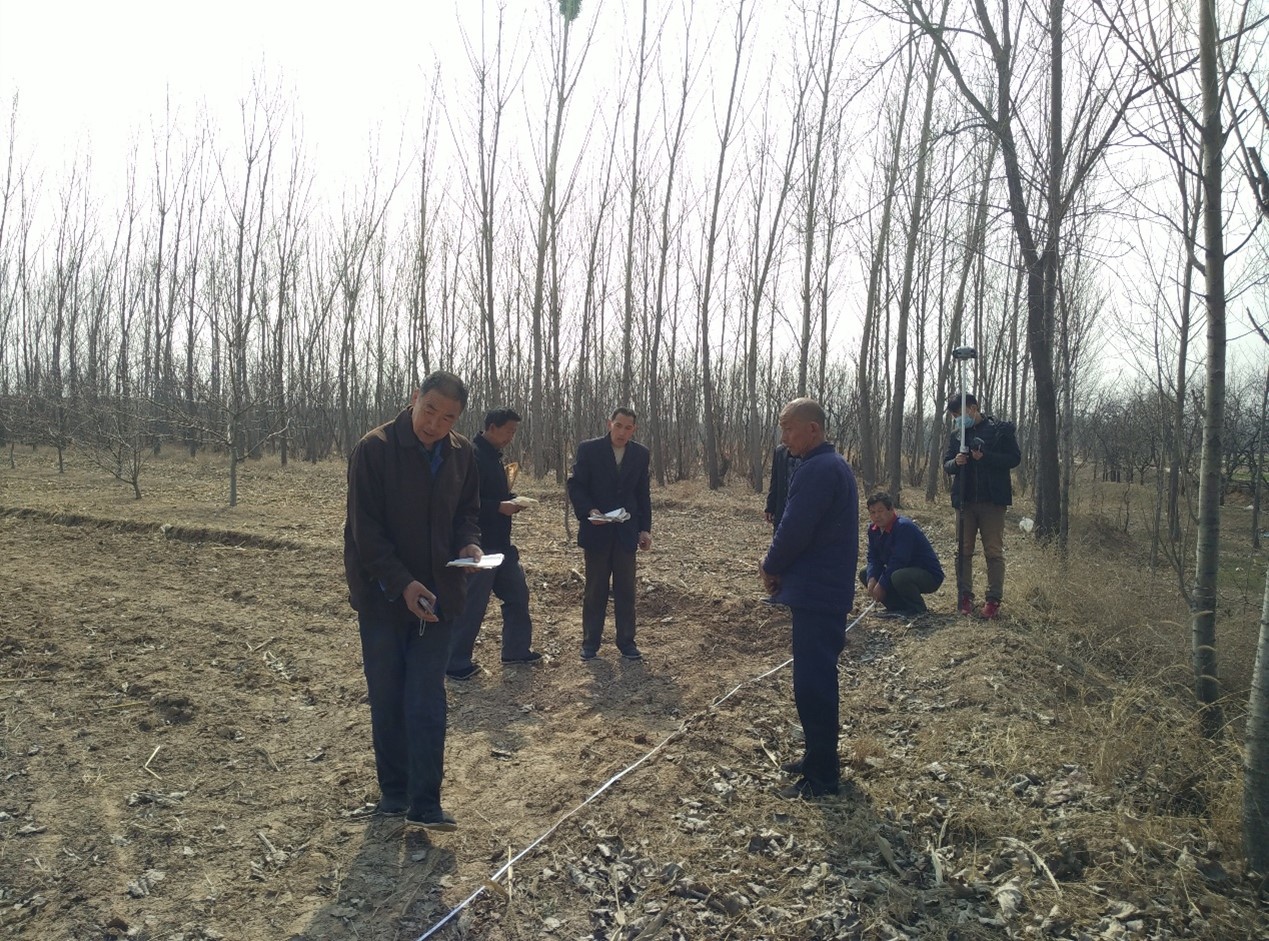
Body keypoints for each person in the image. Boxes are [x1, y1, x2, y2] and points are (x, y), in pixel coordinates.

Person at [343, 371, 482, 831]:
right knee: (388, 693)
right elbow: (366, 533)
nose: (435, 425)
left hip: (440, 597)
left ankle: (425, 801)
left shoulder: (462, 454)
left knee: (427, 697)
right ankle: (394, 792)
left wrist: (469, 544)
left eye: (448, 418)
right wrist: (403, 584)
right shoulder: (375, 449)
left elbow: (468, 514)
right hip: (383, 598)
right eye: (430, 411)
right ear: (415, 398)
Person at [759, 398, 859, 799]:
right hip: (822, 589)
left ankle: (822, 777)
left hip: (819, 592)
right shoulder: (829, 465)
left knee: (813, 684)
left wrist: (770, 566)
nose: (783, 438)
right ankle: (818, 756)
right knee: (814, 679)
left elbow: (793, 528)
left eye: (788, 429)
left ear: (812, 429)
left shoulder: (819, 470)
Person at [447, 408, 542, 680]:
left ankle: (516, 650)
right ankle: (455, 662)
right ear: (491, 427)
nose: (511, 437)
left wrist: (512, 501)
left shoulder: (495, 457)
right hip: (479, 545)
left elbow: (493, 493)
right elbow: (464, 503)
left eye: (514, 431)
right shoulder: (471, 456)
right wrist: (499, 507)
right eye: (508, 431)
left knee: (517, 595)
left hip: (502, 544)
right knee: (472, 604)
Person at [567, 407, 653, 661]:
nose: (622, 432)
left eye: (628, 428)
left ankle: (626, 642)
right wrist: (589, 510)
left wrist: (645, 529)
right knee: (595, 589)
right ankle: (590, 643)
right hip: (597, 530)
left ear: (634, 430)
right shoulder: (589, 450)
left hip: (626, 532)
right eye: (618, 426)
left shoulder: (640, 454)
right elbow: (576, 485)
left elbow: (642, 494)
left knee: (626, 590)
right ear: (609, 424)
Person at [942, 391, 1022, 619]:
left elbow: (1014, 458)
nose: (957, 419)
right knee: (963, 550)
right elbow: (946, 464)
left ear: (974, 408)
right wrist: (956, 463)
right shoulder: (958, 435)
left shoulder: (998, 430)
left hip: (992, 502)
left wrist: (986, 457)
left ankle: (993, 600)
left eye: (959, 414)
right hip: (965, 502)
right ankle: (964, 596)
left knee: (993, 551)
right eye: (954, 416)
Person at [859, 491, 944, 617]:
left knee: (898, 576)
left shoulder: (903, 527)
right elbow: (873, 557)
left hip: (927, 575)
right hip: (898, 571)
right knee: (865, 572)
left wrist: (882, 584)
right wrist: (871, 579)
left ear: (891, 509)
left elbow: (899, 560)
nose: (877, 516)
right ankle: (897, 607)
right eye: (872, 512)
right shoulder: (873, 530)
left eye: (880, 511)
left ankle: (917, 609)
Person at [763, 442, 799, 529]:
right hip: (782, 512)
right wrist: (770, 507)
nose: (784, 438)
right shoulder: (780, 452)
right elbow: (775, 482)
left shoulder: (812, 454)